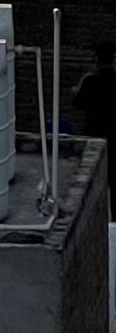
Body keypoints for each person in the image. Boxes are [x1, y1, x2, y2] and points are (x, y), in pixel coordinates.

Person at [73, 44, 116, 213]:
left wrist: (78, 88)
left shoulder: (90, 81)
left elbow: (78, 102)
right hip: (113, 134)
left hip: (95, 133)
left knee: (94, 176)